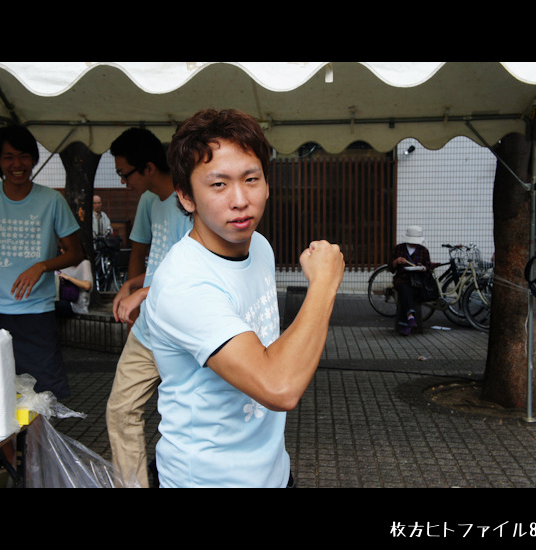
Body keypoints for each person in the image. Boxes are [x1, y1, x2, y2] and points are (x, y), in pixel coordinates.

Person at [144, 108, 345, 487]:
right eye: (219, 185)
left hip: (272, 472)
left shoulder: (260, 247)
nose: (240, 200)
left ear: (267, 183)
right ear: (186, 196)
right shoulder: (185, 284)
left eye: (251, 179)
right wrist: (324, 284)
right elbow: (279, 387)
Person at [0, 125, 83, 399]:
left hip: (37, 314)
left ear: (33, 159)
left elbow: (75, 253)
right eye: (8, 157)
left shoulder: (52, 200)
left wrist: (42, 266)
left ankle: (41, 430)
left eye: (23, 156)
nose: (17, 164)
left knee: (44, 396)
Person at [105, 128, 192, 488]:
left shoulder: (192, 203)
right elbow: (152, 259)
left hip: (184, 335)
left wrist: (141, 292)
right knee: (120, 411)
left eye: (124, 173)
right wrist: (133, 286)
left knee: (188, 419)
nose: (122, 182)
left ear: (149, 167)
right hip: (146, 333)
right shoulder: (148, 201)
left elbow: (194, 274)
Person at [389, 225, 438, 336]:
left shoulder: (423, 251)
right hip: (402, 278)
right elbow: (391, 268)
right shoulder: (398, 249)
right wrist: (396, 261)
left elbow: (427, 267)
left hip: (418, 280)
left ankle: (406, 322)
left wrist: (423, 268)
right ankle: (410, 316)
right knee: (405, 288)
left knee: (407, 292)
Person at [55, 239, 93, 317]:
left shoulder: (84, 263)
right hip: (64, 298)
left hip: (77, 304)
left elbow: (87, 285)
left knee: (54, 306)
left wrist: (68, 278)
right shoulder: (63, 264)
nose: (61, 250)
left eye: (64, 248)